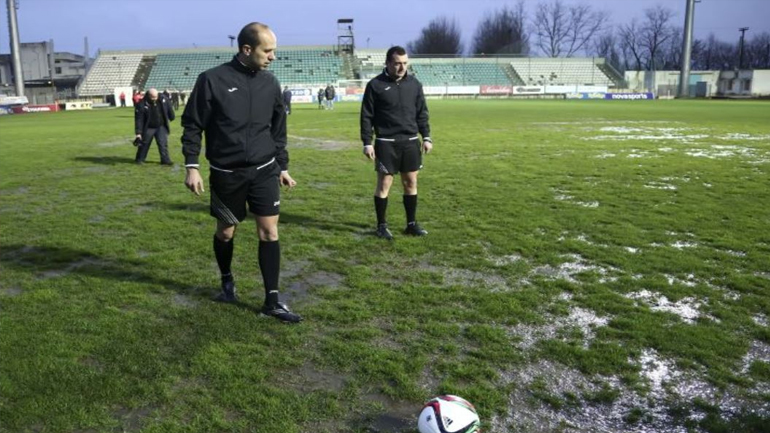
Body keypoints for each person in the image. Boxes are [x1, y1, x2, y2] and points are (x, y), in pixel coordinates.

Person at [181, 22, 302, 323]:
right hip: (226, 174)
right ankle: (226, 281)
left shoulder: (270, 83)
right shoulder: (211, 80)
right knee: (225, 232)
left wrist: (282, 166)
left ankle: (272, 301)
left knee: (269, 231)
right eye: (268, 50)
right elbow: (193, 124)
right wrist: (192, 166)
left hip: (264, 170)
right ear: (247, 50)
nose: (273, 56)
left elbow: (278, 130)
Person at [360, 46, 432, 240]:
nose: (402, 67)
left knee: (411, 182)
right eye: (397, 63)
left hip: (410, 141)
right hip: (386, 142)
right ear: (387, 63)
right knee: (384, 184)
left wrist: (426, 137)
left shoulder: (415, 84)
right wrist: (367, 142)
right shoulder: (375, 85)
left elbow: (422, 113)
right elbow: (366, 116)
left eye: (405, 63)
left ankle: (411, 224)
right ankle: (381, 226)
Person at [134, 88, 175, 165]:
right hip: (148, 127)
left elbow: (169, 108)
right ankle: (140, 159)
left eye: (156, 96)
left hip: (161, 126)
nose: (155, 99)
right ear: (149, 95)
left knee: (163, 143)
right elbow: (139, 119)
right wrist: (138, 133)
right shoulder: (141, 104)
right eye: (153, 97)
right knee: (145, 143)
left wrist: (171, 117)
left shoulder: (163, 99)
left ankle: (165, 160)